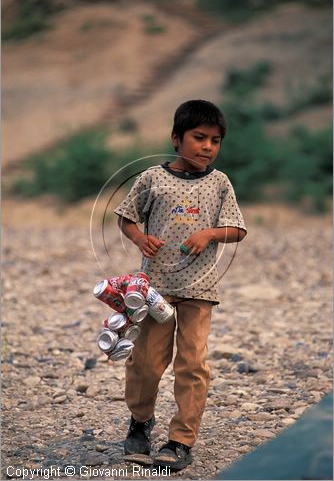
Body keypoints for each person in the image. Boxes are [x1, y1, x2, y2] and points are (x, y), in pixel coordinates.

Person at [114, 99, 247, 471]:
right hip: (155, 289)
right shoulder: (151, 179)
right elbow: (126, 218)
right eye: (199, 137)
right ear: (176, 138)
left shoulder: (220, 183)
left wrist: (210, 233)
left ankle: (181, 440)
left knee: (193, 363)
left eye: (215, 141)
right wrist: (140, 239)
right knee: (147, 361)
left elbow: (236, 229)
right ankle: (140, 424)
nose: (207, 147)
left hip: (200, 290)